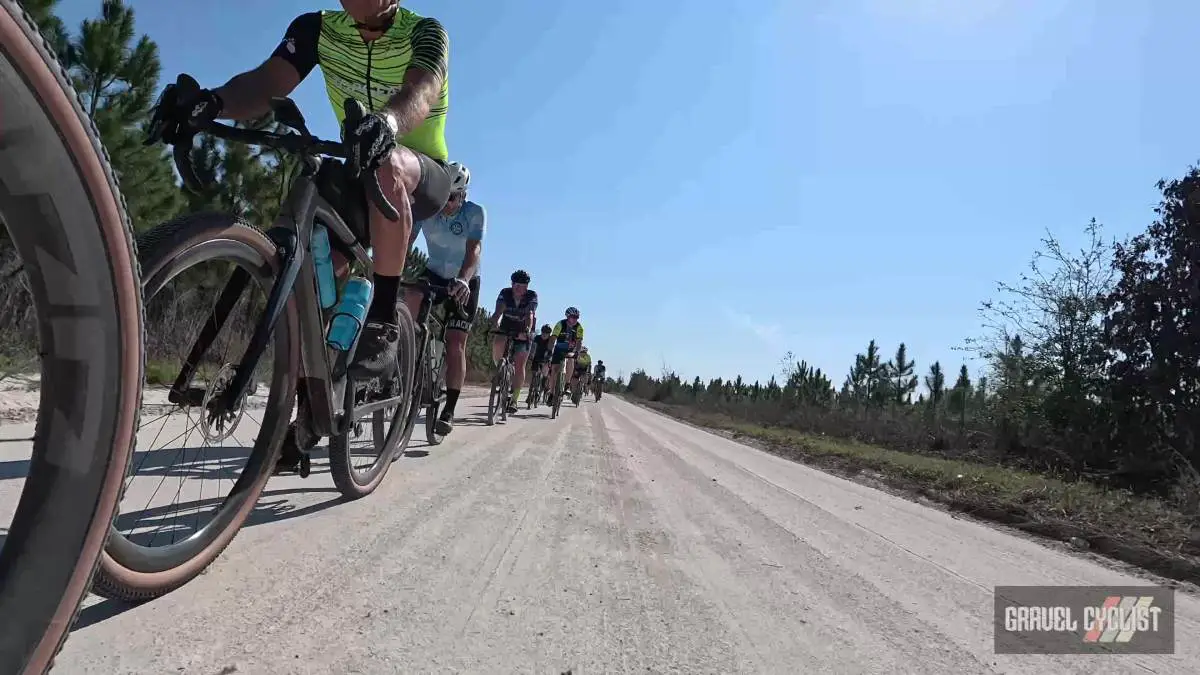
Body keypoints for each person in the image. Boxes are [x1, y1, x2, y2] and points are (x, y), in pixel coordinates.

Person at [153, 0, 457, 385]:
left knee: (388, 164)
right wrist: (212, 103)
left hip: (422, 172)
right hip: (360, 164)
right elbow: (265, 83)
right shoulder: (318, 29)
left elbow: (421, 90)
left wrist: (388, 122)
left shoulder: (425, 31)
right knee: (312, 280)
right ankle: (304, 394)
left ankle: (383, 319)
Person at [403, 174, 485, 435]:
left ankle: (449, 408)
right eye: (442, 196)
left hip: (464, 278)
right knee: (411, 296)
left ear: (463, 196)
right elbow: (406, 239)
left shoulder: (474, 213)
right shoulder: (428, 208)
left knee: (456, 343)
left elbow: (474, 250)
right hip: (435, 272)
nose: (446, 203)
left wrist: (463, 279)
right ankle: (407, 353)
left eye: (451, 198)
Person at [489, 270, 538, 413]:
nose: (518, 288)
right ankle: (500, 370)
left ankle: (514, 400)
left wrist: (527, 330)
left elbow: (530, 314)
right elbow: (498, 311)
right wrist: (494, 322)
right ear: (511, 284)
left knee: (520, 363)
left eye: (522, 285)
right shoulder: (505, 293)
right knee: (498, 342)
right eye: (515, 284)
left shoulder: (531, 296)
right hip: (506, 326)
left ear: (526, 287)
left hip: (523, 329)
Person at [548, 307, 584, 406]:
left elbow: (579, 341)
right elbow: (553, 338)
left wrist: (577, 352)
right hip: (559, 349)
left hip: (570, 350)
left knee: (570, 361)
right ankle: (551, 393)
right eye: (573, 317)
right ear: (567, 316)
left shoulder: (579, 327)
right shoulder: (560, 324)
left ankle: (567, 384)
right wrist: (549, 351)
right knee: (554, 370)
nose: (575, 319)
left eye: (577, 317)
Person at [527, 324, 554, 404]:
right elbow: (533, 347)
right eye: (543, 332)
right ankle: (530, 394)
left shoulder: (551, 340)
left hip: (546, 358)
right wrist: (531, 356)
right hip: (536, 357)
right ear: (541, 332)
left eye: (547, 333)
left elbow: (551, 351)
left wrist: (548, 359)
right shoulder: (537, 338)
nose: (544, 334)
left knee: (545, 372)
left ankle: (541, 388)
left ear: (549, 334)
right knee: (534, 374)